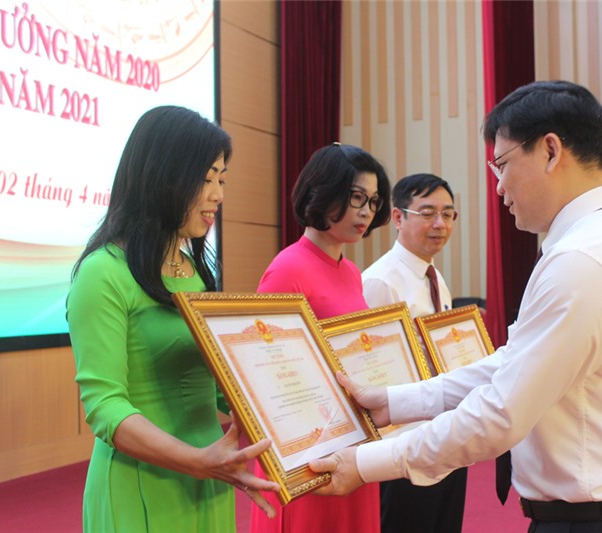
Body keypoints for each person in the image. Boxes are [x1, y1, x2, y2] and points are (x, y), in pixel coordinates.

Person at [310, 80, 602, 532]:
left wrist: (365, 462)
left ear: (550, 151)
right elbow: (513, 363)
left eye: (502, 165)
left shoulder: (582, 261)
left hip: (600, 521)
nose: (500, 187)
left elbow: (502, 412)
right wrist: (396, 401)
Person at [67, 106, 279, 532]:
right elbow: (105, 406)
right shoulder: (102, 273)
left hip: (211, 473)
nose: (217, 195)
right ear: (162, 176)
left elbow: (216, 385)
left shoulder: (194, 271)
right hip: (146, 481)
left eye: (221, 180)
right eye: (205, 179)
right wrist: (197, 461)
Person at [250, 142, 391, 533]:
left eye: (373, 201)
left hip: (350, 439)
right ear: (322, 192)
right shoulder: (288, 269)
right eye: (356, 197)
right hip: (305, 449)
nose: (366, 211)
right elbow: (265, 372)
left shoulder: (351, 272)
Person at [361, 173, 467, 533]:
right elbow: (374, 370)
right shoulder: (381, 282)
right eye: (427, 213)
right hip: (405, 445)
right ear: (398, 217)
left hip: (445, 434)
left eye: (448, 214)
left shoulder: (434, 277)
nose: (440, 224)